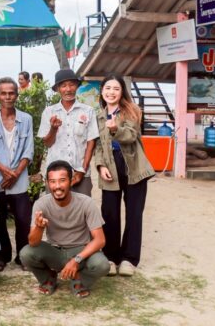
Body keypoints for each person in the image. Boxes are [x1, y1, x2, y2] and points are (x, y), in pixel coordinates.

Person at [20, 160, 109, 298]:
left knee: (102, 265)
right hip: (55, 251)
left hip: (81, 251)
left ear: (71, 180)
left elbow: (100, 240)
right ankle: (48, 278)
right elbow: (33, 243)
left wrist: (76, 260)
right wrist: (39, 227)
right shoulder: (41, 204)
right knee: (26, 253)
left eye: (62, 181)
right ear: (47, 183)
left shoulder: (86, 203)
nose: (57, 186)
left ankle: (79, 279)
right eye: (52, 181)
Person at [94, 75, 154, 277]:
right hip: (110, 166)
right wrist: (100, 165)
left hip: (133, 166)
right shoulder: (99, 115)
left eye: (116, 89)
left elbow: (130, 135)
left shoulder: (132, 111)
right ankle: (110, 257)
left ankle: (129, 259)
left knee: (134, 213)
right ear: (102, 91)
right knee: (109, 213)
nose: (111, 92)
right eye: (108, 88)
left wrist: (115, 129)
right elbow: (98, 146)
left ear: (122, 92)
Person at [0, 77, 34, 271]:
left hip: (19, 178)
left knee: (22, 219)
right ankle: (2, 256)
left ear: (17, 95)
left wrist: (15, 174)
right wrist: (5, 172)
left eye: (11, 93)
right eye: (3, 93)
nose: (7, 96)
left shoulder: (26, 119)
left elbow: (29, 150)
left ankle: (23, 256)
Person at [38, 69, 99, 196]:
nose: (68, 89)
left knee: (82, 212)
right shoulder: (49, 112)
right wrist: (53, 129)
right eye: (63, 85)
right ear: (57, 89)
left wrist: (82, 170)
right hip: (55, 175)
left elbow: (91, 142)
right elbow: (47, 143)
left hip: (81, 173)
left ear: (77, 86)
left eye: (71, 84)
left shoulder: (88, 111)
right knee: (55, 213)